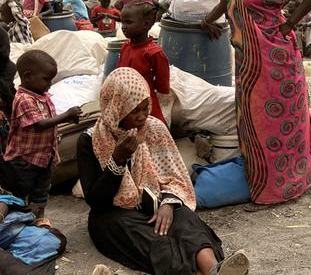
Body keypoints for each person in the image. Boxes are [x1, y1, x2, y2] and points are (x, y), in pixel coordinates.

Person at [76, 68, 249, 275]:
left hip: (157, 202)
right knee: (150, 238)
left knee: (184, 219)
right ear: (116, 108)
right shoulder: (91, 140)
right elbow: (96, 200)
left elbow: (175, 177)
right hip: (115, 213)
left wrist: (168, 204)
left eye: (145, 108)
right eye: (134, 111)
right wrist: (117, 161)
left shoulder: (154, 129)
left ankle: (213, 269)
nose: (142, 116)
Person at [200, 0, 311, 204]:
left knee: (279, 120)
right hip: (248, 62)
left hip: (276, 60)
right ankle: (261, 179)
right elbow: (226, 1)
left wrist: (290, 24)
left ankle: (285, 184)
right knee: (254, 120)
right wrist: (206, 20)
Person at [2, 51, 81, 218]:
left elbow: (50, 122)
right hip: (24, 161)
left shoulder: (43, 97)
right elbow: (39, 125)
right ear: (28, 76)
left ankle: (37, 219)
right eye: (46, 79)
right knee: (20, 194)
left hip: (44, 158)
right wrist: (66, 115)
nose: (50, 84)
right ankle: (19, 220)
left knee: (41, 193)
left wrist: (68, 119)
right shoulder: (24, 99)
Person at [117, 1, 170, 125]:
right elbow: (119, 74)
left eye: (128, 22)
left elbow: (163, 86)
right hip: (125, 104)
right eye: (122, 22)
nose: (123, 27)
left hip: (145, 107)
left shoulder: (154, 53)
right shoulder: (125, 47)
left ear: (146, 24)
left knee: (151, 131)